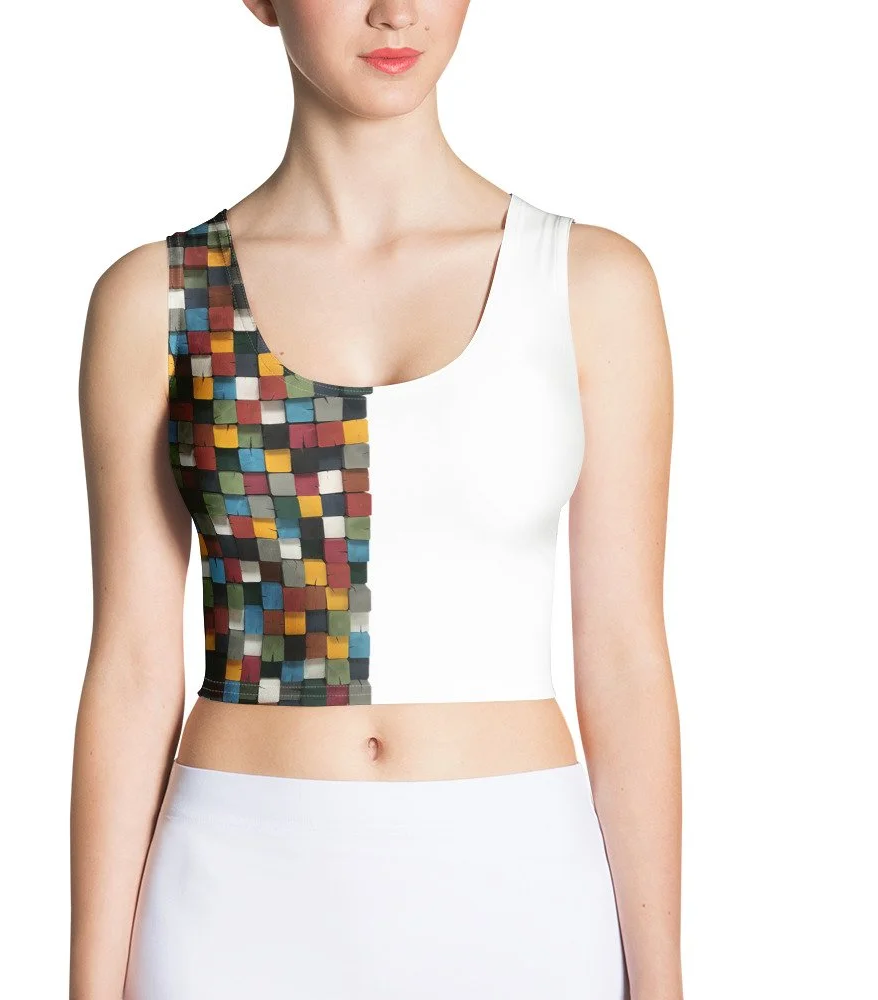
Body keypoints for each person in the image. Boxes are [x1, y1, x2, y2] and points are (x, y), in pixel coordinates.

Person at [70, 2, 680, 998]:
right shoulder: (160, 298)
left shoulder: (589, 283)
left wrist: (661, 983)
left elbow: (624, 656)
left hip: (516, 887)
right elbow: (133, 668)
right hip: (233, 888)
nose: (395, 10)